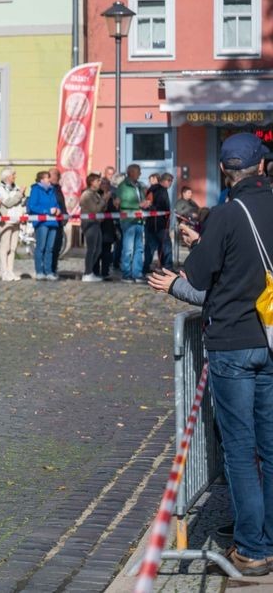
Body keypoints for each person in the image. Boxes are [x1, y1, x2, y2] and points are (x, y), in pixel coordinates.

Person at [179, 133, 273, 576]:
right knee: (271, 447)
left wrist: (195, 244)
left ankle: (253, 549)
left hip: (232, 343)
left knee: (240, 448)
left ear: (224, 171)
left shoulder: (224, 214)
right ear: (262, 167)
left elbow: (198, 282)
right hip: (271, 338)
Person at [117, 164, 150, 283]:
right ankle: (126, 273)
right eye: (138, 171)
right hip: (128, 221)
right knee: (128, 249)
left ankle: (137, 273)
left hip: (139, 220)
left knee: (139, 248)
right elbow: (122, 203)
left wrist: (145, 203)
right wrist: (138, 205)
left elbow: (140, 200)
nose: (140, 174)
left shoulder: (139, 186)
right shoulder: (123, 186)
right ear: (130, 172)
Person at [26, 171, 61, 281]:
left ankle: (49, 271)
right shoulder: (36, 190)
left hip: (53, 222)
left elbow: (56, 203)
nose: (49, 180)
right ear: (41, 180)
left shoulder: (52, 190)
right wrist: (46, 211)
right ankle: (39, 271)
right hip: (41, 222)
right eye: (47, 178)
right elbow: (32, 206)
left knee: (50, 248)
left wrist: (58, 210)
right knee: (41, 247)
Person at [79, 173, 109, 282]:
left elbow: (102, 209)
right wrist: (103, 200)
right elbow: (94, 209)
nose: (99, 183)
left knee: (98, 249)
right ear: (92, 182)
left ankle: (90, 271)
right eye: (97, 181)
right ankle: (87, 273)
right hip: (89, 223)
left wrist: (104, 201)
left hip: (97, 223)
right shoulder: (87, 194)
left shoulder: (95, 194)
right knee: (91, 249)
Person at [0, 168, 25, 282]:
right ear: (7, 177)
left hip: (16, 220)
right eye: (13, 175)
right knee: (5, 247)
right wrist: (20, 194)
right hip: (6, 221)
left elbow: (20, 201)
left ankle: (10, 271)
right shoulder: (1, 189)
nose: (15, 177)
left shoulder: (16, 187)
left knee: (13, 248)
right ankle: (4, 272)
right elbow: (8, 202)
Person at [144, 172, 174, 274]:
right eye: (170, 182)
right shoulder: (162, 191)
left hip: (151, 223)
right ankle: (168, 267)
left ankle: (146, 267)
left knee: (150, 247)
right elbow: (162, 206)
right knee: (166, 246)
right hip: (159, 224)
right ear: (166, 181)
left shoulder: (151, 189)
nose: (170, 184)